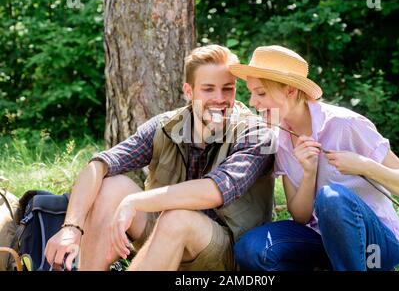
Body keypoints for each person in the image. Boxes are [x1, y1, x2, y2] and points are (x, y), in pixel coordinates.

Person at [44, 45, 275, 271]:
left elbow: (216, 190)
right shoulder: (165, 127)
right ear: (189, 91)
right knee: (111, 186)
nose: (219, 98)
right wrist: (71, 228)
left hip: (226, 250)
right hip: (161, 236)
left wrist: (134, 202)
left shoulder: (255, 133)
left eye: (228, 89)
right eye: (208, 89)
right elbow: (99, 165)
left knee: (178, 218)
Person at [230, 45, 399, 271]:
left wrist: (364, 165)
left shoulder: (345, 124)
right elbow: (300, 217)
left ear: (290, 90)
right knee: (251, 249)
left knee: (332, 198)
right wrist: (308, 172)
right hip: (320, 240)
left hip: (375, 246)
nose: (253, 102)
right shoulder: (280, 138)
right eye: (251, 93)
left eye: (260, 93)